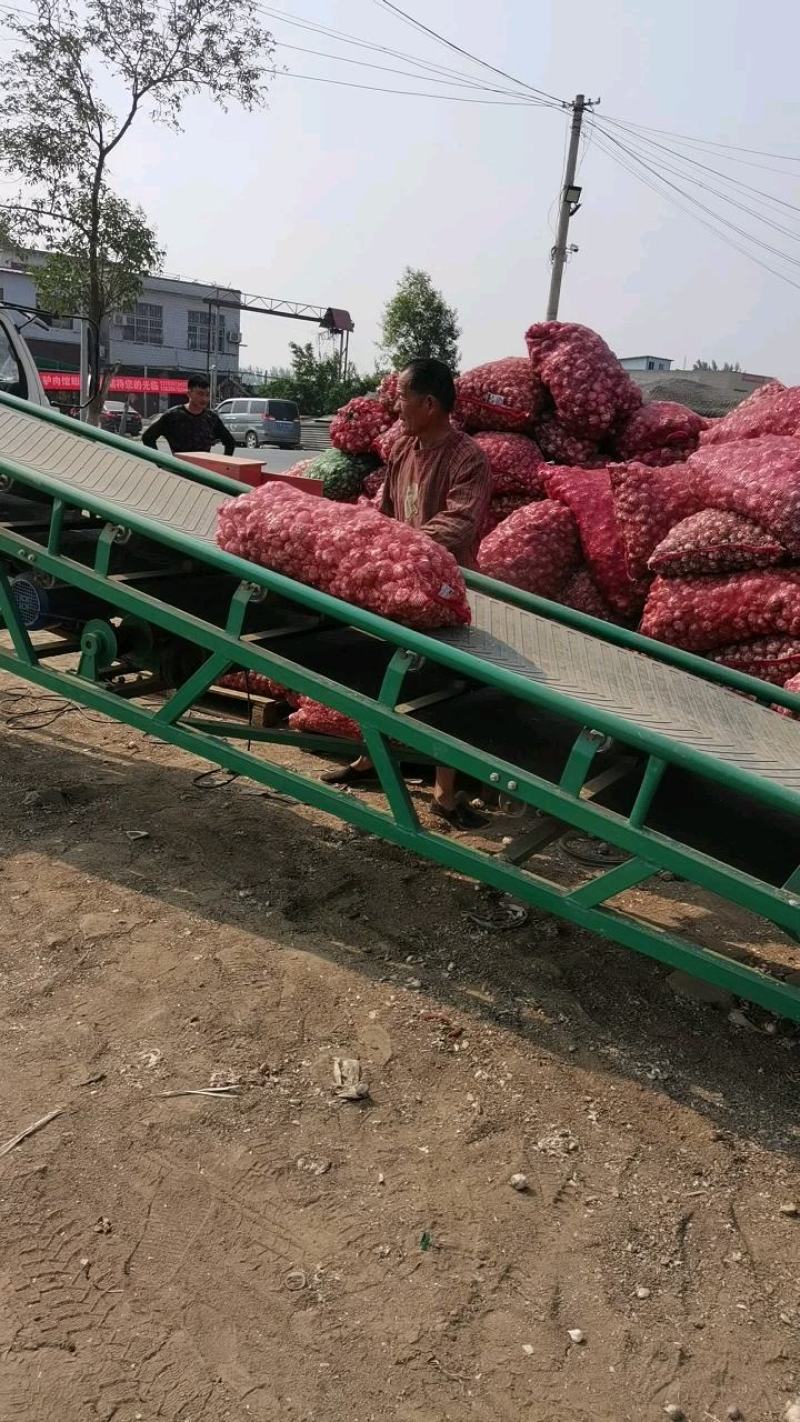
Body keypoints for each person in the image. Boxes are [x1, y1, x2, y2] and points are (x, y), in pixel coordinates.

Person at [323, 356, 492, 830]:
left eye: (402, 398)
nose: (396, 406)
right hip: (397, 583)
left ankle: (445, 792)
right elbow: (387, 509)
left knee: (443, 685)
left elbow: (459, 524)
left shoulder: (467, 458)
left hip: (444, 586)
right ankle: (370, 761)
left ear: (430, 403)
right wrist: (370, 543)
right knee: (382, 674)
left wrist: (404, 551)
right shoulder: (401, 447)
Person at [141, 374, 236, 456]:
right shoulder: (173, 416)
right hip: (178, 472)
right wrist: (162, 463)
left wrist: (225, 467)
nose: (204, 399)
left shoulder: (212, 418)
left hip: (203, 473)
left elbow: (230, 442)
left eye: (207, 395)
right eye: (200, 394)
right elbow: (148, 438)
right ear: (189, 394)